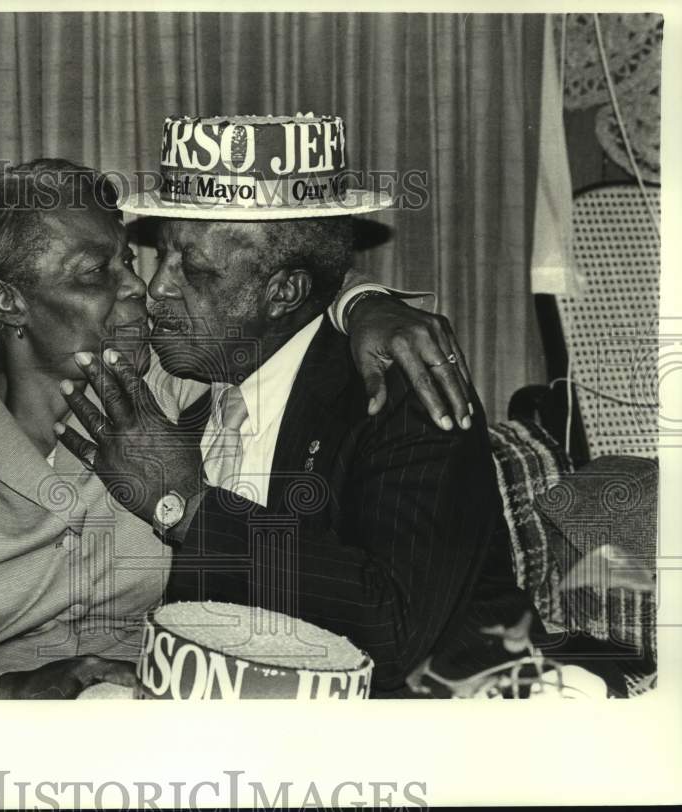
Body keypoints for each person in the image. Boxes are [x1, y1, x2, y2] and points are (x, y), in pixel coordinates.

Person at [0, 158, 477, 699]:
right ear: (7, 302)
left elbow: (270, 324)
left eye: (127, 260)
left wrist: (366, 305)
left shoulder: (178, 389)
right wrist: (9, 695)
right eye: (97, 273)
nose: (140, 290)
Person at [54, 119, 613, 697]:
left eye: (193, 269)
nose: (157, 287)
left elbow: (393, 631)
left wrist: (190, 506)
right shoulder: (189, 388)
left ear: (284, 292)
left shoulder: (398, 393)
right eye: (160, 253)